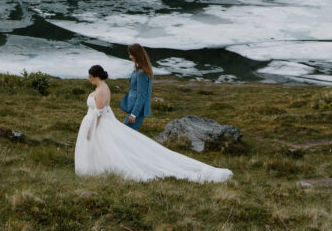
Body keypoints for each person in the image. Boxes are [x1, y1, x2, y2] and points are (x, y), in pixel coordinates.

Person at [74, 65, 232, 183]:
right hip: (99, 121)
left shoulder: (101, 90)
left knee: (109, 149)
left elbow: (99, 114)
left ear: (96, 76)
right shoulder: (103, 87)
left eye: (90, 77)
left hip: (100, 124)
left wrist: (90, 130)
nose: (89, 79)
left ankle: (100, 170)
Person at [120, 43, 153, 130]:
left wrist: (134, 114)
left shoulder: (142, 73)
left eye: (131, 54)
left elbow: (142, 95)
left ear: (137, 55)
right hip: (134, 109)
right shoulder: (140, 69)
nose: (129, 56)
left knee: (126, 135)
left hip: (137, 111)